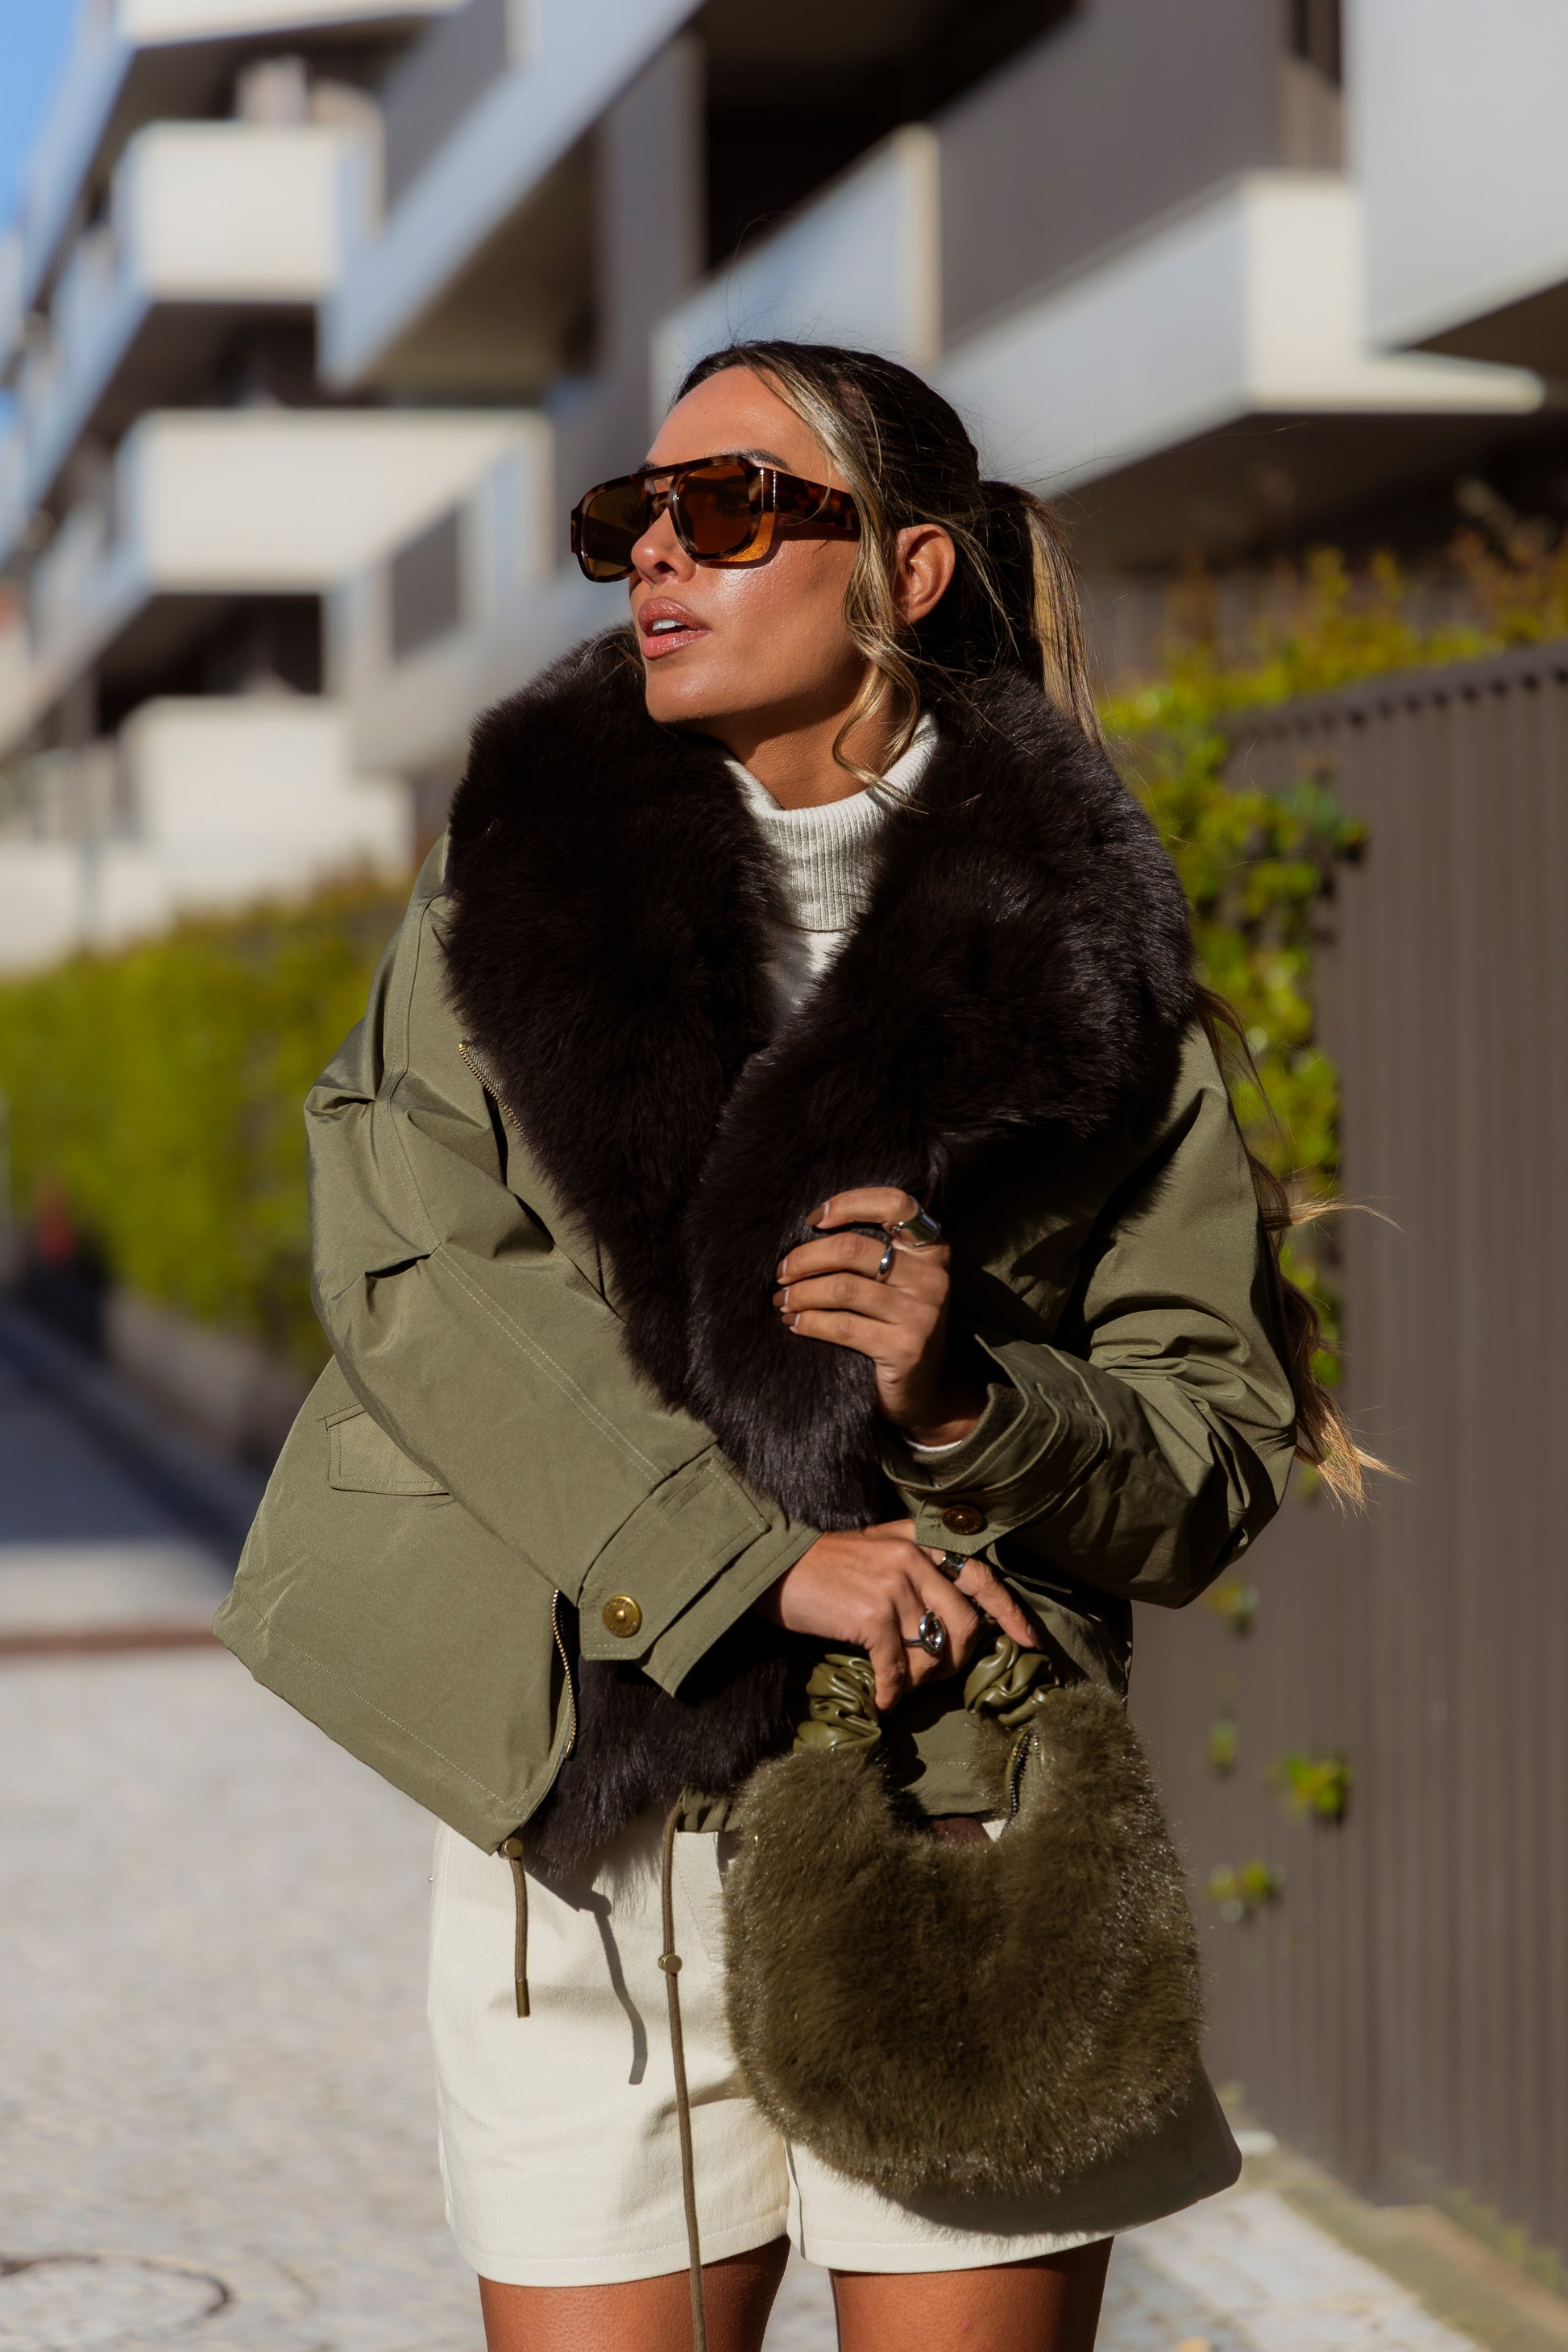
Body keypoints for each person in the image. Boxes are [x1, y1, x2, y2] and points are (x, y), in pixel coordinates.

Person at [219, 341, 1359, 2352]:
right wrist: (747, 1560)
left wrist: (968, 1394)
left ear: (906, 569)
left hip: (955, 1807)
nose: (657, 552)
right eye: (630, 517)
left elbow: (1210, 1446)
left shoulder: (1086, 943)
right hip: (590, 1823)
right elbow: (415, 1269)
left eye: (728, 506)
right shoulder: (510, 884)